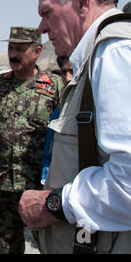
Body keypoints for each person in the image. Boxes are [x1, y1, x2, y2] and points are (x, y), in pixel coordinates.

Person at [18, 0, 131, 254]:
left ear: (82, 0)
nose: (42, 27)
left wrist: (52, 204)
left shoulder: (118, 52)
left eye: (47, 13)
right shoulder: (104, 53)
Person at [0, 27, 64, 254]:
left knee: (48, 245)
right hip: (3, 184)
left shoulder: (54, 85)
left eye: (20, 49)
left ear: (37, 51)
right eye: (11, 48)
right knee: (8, 247)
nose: (13, 54)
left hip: (39, 186)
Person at [40, 56, 72, 186]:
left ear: (37, 51)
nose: (68, 77)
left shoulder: (51, 83)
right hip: (0, 178)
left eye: (72, 70)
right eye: (64, 72)